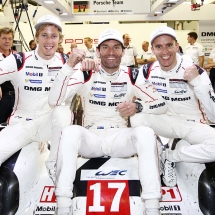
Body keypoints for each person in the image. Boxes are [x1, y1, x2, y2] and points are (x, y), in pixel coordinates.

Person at [49, 29, 168, 215]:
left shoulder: (132, 75)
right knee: (70, 131)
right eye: (105, 47)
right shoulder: (86, 73)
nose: (111, 52)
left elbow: (161, 105)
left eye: (116, 47)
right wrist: (70, 66)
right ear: (97, 51)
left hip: (120, 137)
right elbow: (54, 101)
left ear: (123, 51)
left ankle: (152, 208)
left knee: (145, 133)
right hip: (91, 138)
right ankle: (63, 207)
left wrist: (138, 107)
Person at [0, 15, 94, 183]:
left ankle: (54, 165)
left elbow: (91, 86)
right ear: (36, 38)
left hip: (48, 126)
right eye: (44, 35)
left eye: (54, 36)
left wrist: (90, 66)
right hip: (21, 125)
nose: (49, 40)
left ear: (60, 39)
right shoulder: (19, 60)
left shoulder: (69, 62)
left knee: (62, 111)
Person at [120, 26, 215, 187]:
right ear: (152, 50)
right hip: (165, 121)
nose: (165, 51)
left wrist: (197, 83)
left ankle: (169, 156)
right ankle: (154, 154)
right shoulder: (147, 71)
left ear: (177, 46)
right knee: (137, 116)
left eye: (169, 45)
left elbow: (213, 116)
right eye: (159, 46)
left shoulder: (194, 70)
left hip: (193, 124)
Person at [0, 27, 16, 124]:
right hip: (2, 98)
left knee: (15, 126)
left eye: (10, 39)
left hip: (16, 97)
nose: (7, 41)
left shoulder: (17, 56)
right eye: (4, 38)